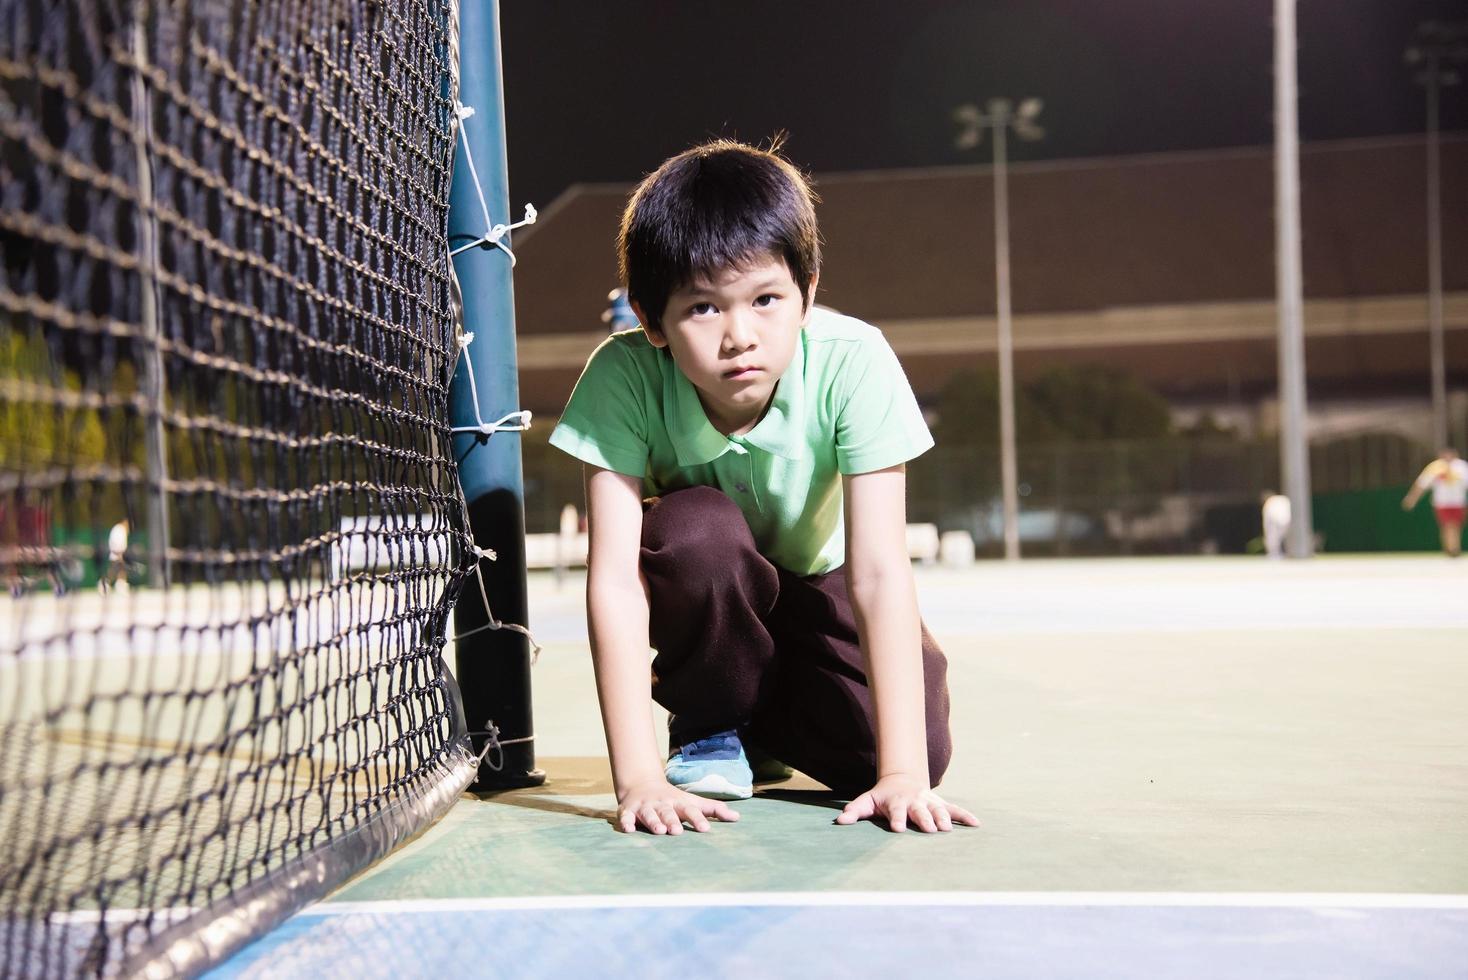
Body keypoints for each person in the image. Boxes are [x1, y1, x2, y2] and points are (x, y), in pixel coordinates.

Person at [549, 139, 975, 837]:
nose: (740, 335)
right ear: (650, 320)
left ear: (808, 292)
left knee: (912, 751)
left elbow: (876, 571)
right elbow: (617, 583)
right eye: (702, 309)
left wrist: (901, 775)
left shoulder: (854, 360)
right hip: (710, 589)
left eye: (766, 299)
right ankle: (713, 725)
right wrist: (639, 781)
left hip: (817, 582)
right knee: (700, 533)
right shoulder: (620, 377)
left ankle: (761, 720)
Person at [1402, 447, 1468, 557]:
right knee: (1448, 525)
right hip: (1442, 503)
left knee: (1456, 526)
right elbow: (1422, 485)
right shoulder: (1435, 467)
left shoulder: (1462, 467)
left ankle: (1452, 548)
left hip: (1458, 502)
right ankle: (1453, 549)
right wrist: (1412, 498)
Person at [1260, 491, 1291, 559]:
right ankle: (1292, 553)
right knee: (1288, 537)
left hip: (1276, 520)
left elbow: (1267, 523)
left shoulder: (1269, 503)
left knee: (1273, 537)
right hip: (1288, 519)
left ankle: (1274, 554)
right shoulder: (1283, 499)